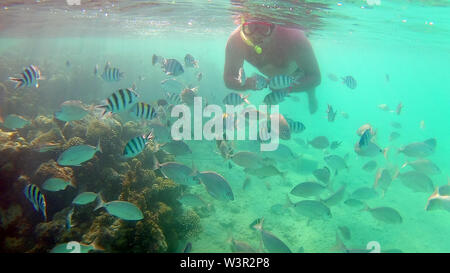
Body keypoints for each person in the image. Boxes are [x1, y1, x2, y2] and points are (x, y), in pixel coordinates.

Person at [223, 17, 321, 114]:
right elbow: (229, 78)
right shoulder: (236, 41)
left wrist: (285, 88)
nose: (256, 35)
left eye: (264, 28)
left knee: (307, 81)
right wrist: (248, 83)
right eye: (250, 27)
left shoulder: (295, 38)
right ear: (243, 24)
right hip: (277, 79)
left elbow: (314, 77)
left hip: (297, 72)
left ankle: (311, 95)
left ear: (274, 25)